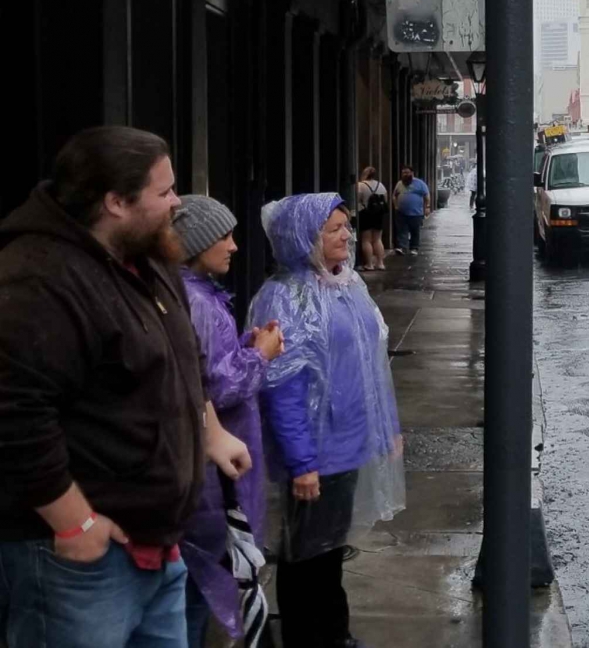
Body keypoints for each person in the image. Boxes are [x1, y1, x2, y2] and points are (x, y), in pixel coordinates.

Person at [0, 126, 252, 648]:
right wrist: (74, 524)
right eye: (164, 192)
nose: (177, 202)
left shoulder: (148, 259)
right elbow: (15, 412)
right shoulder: (37, 279)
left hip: (160, 546)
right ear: (115, 201)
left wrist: (210, 432)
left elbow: (185, 359)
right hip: (82, 566)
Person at [252, 193, 405, 648]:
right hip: (318, 454)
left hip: (350, 445)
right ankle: (312, 637)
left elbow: (373, 362)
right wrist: (302, 462)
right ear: (304, 237)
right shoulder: (285, 296)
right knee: (305, 558)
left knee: (328, 551)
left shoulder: (346, 284)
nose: (346, 235)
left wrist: (386, 426)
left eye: (346, 226)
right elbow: (282, 387)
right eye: (334, 228)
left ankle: (332, 633)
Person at [174, 195, 283, 648]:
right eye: (224, 236)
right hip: (217, 468)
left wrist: (243, 346)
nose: (234, 246)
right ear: (196, 244)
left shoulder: (194, 296)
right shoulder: (198, 303)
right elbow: (214, 389)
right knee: (202, 582)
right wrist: (261, 355)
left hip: (215, 459)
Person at [355, 166, 389, 272]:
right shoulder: (381, 185)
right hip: (378, 215)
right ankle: (380, 263)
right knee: (378, 239)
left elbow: (357, 200)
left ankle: (369, 264)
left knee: (366, 240)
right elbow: (385, 200)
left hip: (366, 214)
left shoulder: (360, 185)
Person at [391, 165, 430, 255]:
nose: (405, 174)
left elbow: (426, 195)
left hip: (416, 213)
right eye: (403, 173)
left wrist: (427, 207)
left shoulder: (420, 183)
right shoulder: (399, 183)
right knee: (401, 230)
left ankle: (414, 248)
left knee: (414, 231)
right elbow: (394, 195)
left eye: (407, 172)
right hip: (401, 212)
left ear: (412, 173)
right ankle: (402, 247)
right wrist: (396, 206)